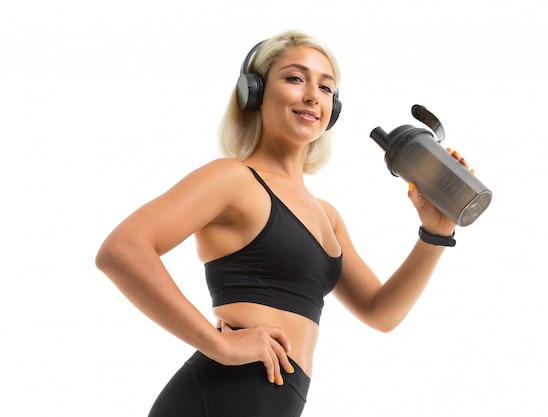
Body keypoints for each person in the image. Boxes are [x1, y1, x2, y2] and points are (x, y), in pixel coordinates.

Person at [95, 29, 471, 417]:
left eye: (326, 88)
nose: (312, 95)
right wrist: (219, 344)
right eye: (295, 78)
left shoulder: (328, 215)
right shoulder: (232, 179)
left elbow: (381, 313)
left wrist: (436, 232)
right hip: (218, 399)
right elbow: (122, 250)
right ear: (253, 92)